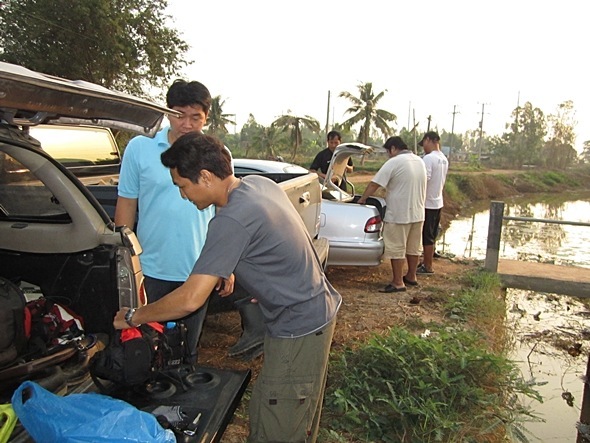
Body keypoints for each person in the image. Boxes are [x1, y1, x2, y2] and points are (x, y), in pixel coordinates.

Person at [114, 133, 341, 442]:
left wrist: (134, 316)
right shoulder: (257, 186)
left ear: (205, 177)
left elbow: (190, 299)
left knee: (281, 424)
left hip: (297, 327)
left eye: (183, 186)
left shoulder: (232, 220)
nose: (183, 196)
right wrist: (228, 264)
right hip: (310, 314)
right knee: (275, 409)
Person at [114, 79, 231, 364]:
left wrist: (226, 265)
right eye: (179, 114)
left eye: (196, 117)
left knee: (188, 348)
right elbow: (127, 203)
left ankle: (184, 400)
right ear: (167, 112)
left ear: (206, 118)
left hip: (199, 269)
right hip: (150, 268)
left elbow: (224, 210)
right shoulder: (139, 149)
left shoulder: (218, 154)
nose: (187, 124)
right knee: (147, 345)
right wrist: (122, 258)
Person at [358, 136, 426, 292]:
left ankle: (397, 282)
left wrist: (362, 199)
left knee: (397, 248)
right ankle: (411, 276)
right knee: (413, 247)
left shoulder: (394, 162)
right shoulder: (419, 161)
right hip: (418, 213)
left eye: (389, 152)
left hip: (399, 213)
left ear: (393, 148)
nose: (389, 155)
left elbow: (375, 183)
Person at [417, 131, 448, 274]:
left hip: (427, 203)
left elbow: (425, 179)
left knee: (426, 235)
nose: (423, 147)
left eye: (423, 143)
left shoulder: (428, 159)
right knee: (432, 234)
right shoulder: (443, 159)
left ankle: (427, 266)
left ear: (428, 140)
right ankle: (426, 261)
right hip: (437, 201)